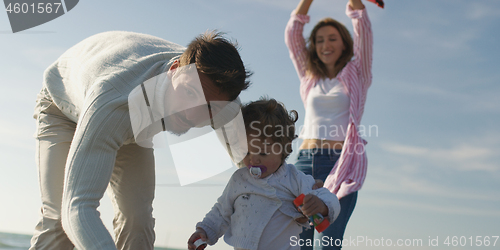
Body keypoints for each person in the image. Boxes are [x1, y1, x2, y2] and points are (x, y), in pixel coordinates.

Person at [30, 30, 251, 250]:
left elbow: (256, 173)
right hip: (64, 104)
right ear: (174, 71)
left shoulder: (226, 107)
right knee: (59, 219)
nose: (191, 115)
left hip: (133, 124)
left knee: (138, 219)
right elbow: (77, 208)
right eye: (190, 93)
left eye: (208, 108)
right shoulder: (115, 102)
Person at [187, 98, 341, 250]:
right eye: (246, 152)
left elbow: (328, 197)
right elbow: (221, 212)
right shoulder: (239, 179)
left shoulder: (294, 179)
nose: (253, 159)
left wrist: (321, 205)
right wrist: (204, 231)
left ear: (283, 148)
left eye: (263, 152)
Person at [285, 0, 375, 249]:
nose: (326, 45)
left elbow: (364, 30)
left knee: (328, 243)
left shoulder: (359, 73)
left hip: (339, 164)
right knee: (298, 244)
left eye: (332, 38)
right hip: (303, 163)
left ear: (345, 42)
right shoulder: (308, 76)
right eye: (320, 40)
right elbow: (293, 33)